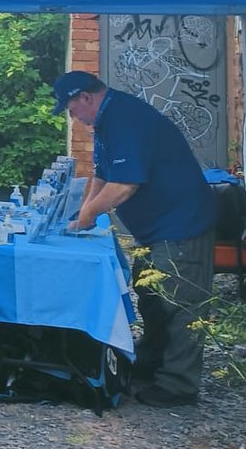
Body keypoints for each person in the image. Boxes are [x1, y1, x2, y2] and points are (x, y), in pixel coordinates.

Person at [53, 70, 217, 408]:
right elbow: (102, 174)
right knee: (151, 297)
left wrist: (86, 218)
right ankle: (151, 363)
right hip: (155, 228)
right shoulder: (107, 121)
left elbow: (124, 185)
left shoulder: (125, 119)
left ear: (86, 98)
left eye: (71, 110)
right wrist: (83, 215)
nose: (74, 119)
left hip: (181, 225)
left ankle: (179, 384)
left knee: (181, 304)